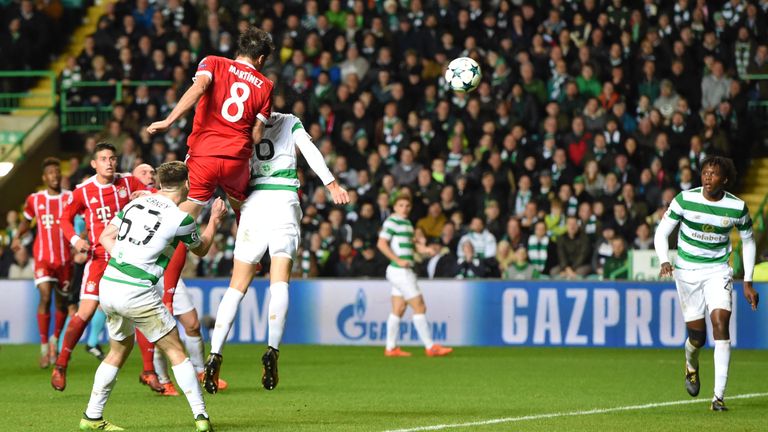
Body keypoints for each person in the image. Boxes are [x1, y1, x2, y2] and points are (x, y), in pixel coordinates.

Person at [203, 112, 349, 394]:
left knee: (236, 287)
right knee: (279, 281)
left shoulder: (238, 125)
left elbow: (228, 170)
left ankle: (215, 353)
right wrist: (331, 184)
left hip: (254, 202)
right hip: (283, 199)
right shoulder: (289, 120)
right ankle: (272, 349)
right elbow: (310, 151)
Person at [79, 161, 225, 431]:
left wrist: (124, 257)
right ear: (186, 185)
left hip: (109, 284)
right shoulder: (180, 219)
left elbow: (105, 236)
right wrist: (215, 221)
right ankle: (201, 417)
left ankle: (92, 416)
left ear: (159, 183)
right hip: (136, 290)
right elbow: (201, 249)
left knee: (118, 350)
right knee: (176, 351)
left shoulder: (133, 204)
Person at [146, 26, 275, 327]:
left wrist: (169, 120)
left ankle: (163, 288)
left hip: (204, 156)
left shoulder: (213, 62)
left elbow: (199, 88)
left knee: (179, 222)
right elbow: (257, 136)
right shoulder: (265, 85)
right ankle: (252, 261)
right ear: (260, 58)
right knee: (245, 211)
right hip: (234, 161)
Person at [51, 143, 162, 393]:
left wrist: (147, 194)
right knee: (86, 311)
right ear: (94, 163)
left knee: (140, 311)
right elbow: (64, 219)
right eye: (103, 159)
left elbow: (153, 193)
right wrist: (76, 240)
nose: (109, 163)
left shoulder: (128, 182)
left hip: (128, 258)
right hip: (99, 259)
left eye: (112, 158)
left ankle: (148, 371)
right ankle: (60, 365)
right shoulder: (83, 191)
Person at [654, 156, 759, 411]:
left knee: (721, 324)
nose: (708, 177)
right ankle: (691, 364)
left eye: (713, 174)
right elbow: (662, 232)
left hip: (718, 270)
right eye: (705, 173)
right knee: (697, 338)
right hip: (687, 271)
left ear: (724, 179)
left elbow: (748, 241)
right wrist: (663, 260)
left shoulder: (737, 207)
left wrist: (747, 281)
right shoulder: (685, 199)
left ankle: (718, 397)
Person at [129, 163, 229, 395]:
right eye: (143, 173)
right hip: (144, 275)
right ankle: (163, 380)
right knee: (155, 331)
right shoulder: (133, 202)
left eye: (151, 172)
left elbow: (181, 247)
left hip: (169, 272)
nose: (149, 175)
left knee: (192, 324)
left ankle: (200, 371)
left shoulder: (170, 205)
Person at [11, 157, 74, 368]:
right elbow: (26, 220)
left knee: (62, 303)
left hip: (66, 259)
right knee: (45, 296)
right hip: (43, 258)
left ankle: (56, 339)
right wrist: (18, 237)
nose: (55, 176)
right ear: (44, 177)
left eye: (57, 172)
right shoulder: (35, 199)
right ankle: (45, 347)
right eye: (50, 173)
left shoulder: (71, 197)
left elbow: (84, 219)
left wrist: (81, 237)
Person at [377, 194, 452, 358]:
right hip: (400, 270)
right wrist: (398, 260)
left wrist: (425, 250)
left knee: (399, 308)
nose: (405, 208)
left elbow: (411, 245)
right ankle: (430, 346)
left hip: (399, 270)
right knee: (420, 306)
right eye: (401, 205)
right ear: (395, 207)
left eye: (407, 205)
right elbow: (381, 243)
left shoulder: (407, 223)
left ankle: (390, 348)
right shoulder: (392, 221)